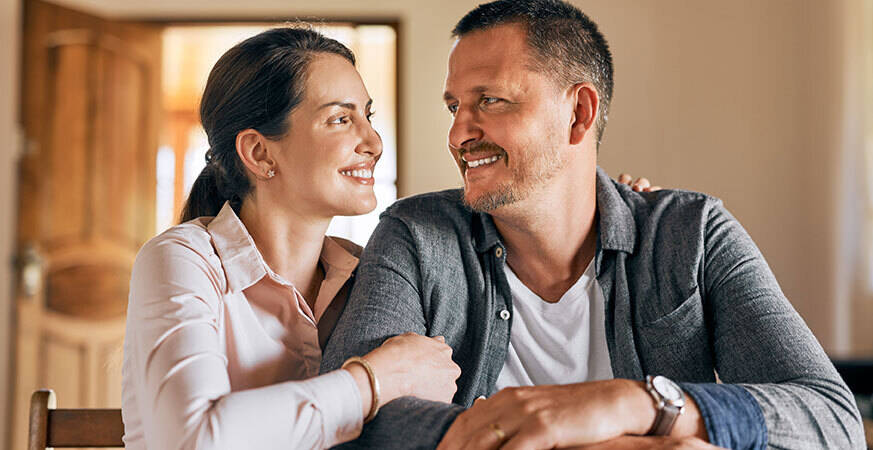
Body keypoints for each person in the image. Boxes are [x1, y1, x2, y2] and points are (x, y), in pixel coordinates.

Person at [320, 1, 866, 449]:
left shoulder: (693, 234)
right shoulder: (413, 235)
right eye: (454, 106)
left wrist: (634, 403)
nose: (459, 133)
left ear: (579, 113)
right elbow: (357, 420)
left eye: (490, 101)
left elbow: (831, 420)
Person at [120, 27, 463, 450]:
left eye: (368, 117)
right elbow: (193, 439)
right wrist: (376, 381)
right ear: (260, 153)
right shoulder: (182, 260)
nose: (373, 142)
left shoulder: (371, 274)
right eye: (341, 119)